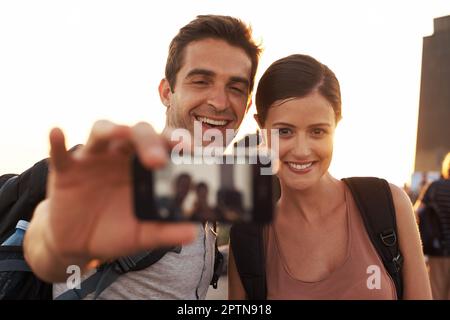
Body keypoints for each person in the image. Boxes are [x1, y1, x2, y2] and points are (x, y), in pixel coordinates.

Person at [23, 14, 262, 299]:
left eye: (235, 88)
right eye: (200, 81)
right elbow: (48, 249)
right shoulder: (124, 173)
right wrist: (60, 243)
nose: (219, 102)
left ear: (247, 106)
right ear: (166, 92)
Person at [228, 54, 432, 299]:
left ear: (337, 125)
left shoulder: (389, 205)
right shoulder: (249, 239)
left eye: (317, 131)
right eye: (284, 131)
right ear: (261, 126)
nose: (302, 150)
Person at [414, 152, 450, 299]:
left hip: (438, 251)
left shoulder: (434, 187)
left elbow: (416, 212)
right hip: (439, 251)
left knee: (435, 294)